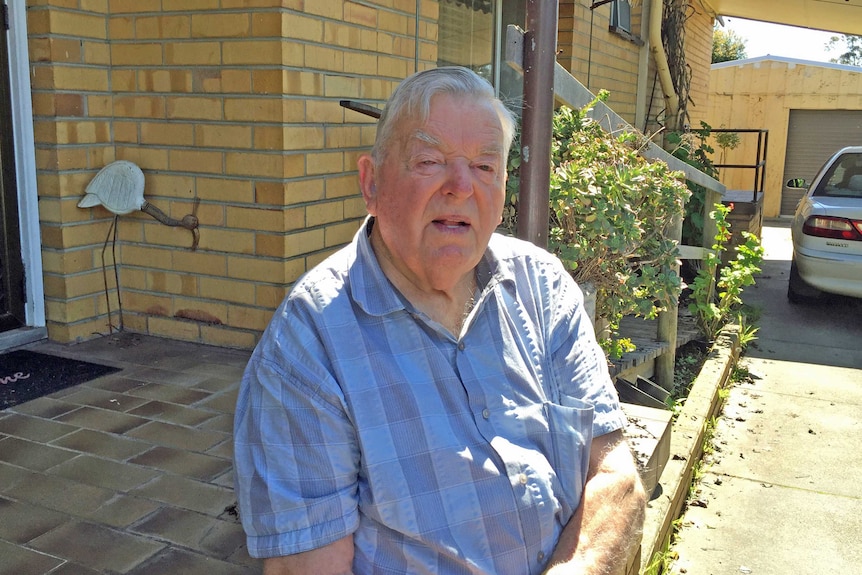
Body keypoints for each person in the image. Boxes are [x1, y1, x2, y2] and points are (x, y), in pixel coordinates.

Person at [233, 66, 647, 575]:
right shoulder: (307, 345)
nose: (460, 187)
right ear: (372, 182)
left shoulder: (543, 286)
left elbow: (615, 474)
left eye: (484, 166)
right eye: (429, 161)